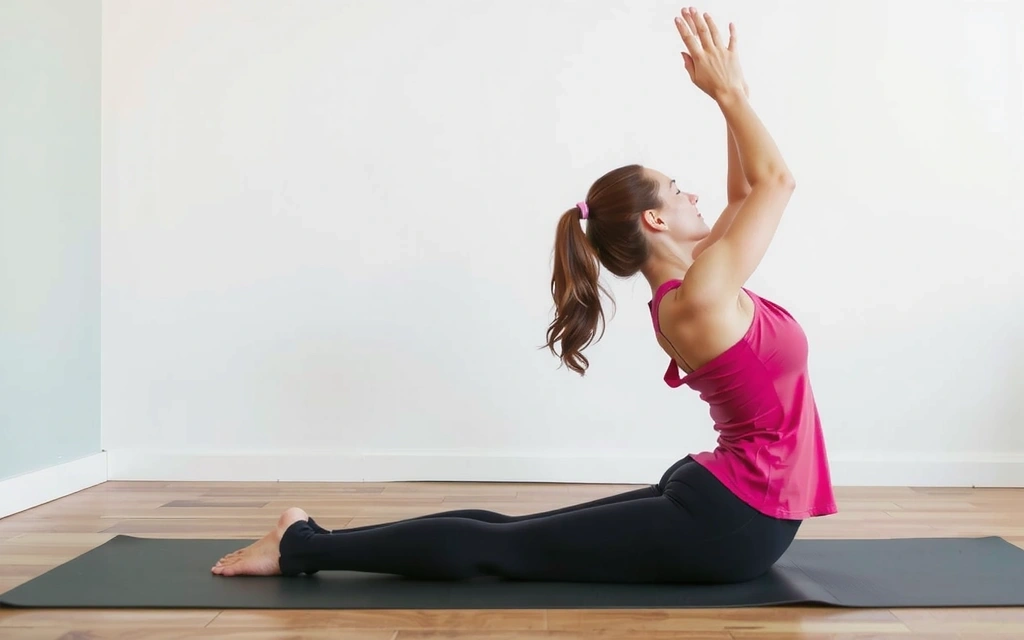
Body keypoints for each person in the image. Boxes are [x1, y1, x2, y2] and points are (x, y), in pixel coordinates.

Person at [212, 6, 836, 583]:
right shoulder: (699, 294)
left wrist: (736, 97)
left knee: (510, 538)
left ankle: (305, 539)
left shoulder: (699, 281)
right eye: (676, 190)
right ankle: (303, 548)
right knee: (504, 548)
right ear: (653, 221)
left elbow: (746, 194)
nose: (692, 194)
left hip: (730, 501)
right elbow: (774, 182)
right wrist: (725, 93)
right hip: (735, 520)